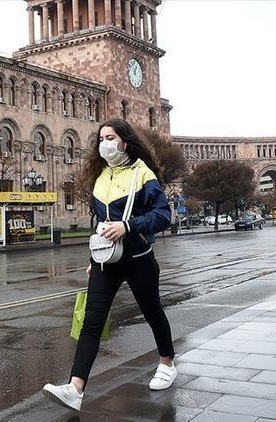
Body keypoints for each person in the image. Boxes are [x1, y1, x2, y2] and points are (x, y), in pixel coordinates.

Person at [42, 119, 175, 411]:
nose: (105, 143)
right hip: (107, 261)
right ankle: (75, 388)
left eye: (110, 137)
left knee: (152, 312)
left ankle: (166, 362)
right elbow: (100, 223)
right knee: (92, 322)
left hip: (138, 259)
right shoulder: (100, 176)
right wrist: (95, 259)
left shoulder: (143, 173)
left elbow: (163, 215)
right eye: (101, 138)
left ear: (124, 141)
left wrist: (128, 226)